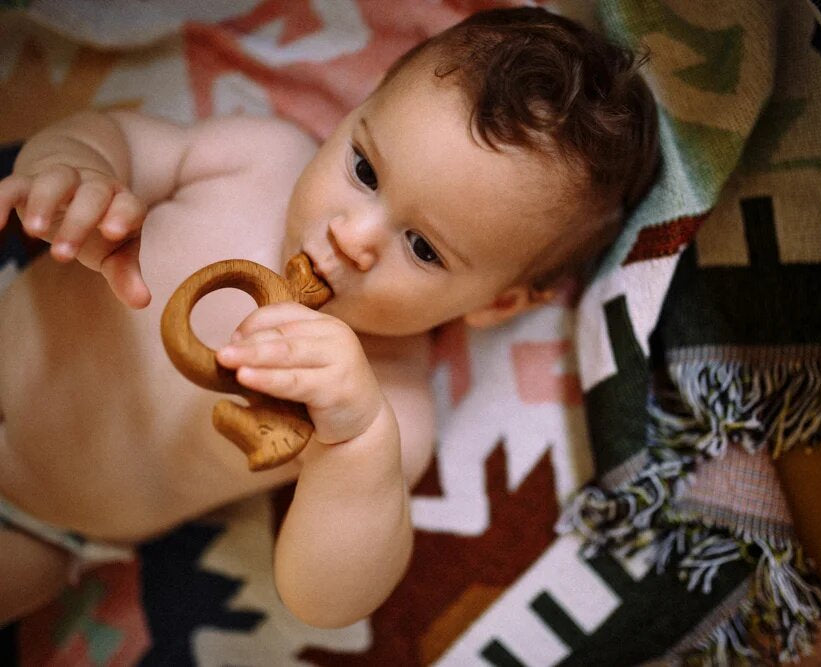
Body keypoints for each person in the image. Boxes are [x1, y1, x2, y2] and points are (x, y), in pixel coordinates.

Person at [0, 7, 660, 627]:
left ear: (496, 303)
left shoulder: (385, 407)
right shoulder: (253, 155)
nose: (353, 234)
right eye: (366, 168)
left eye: (424, 247)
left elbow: (323, 599)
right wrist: (73, 172)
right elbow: (113, 137)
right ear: (361, 104)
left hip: (39, 519)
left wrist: (352, 445)